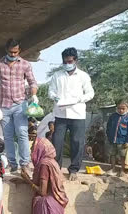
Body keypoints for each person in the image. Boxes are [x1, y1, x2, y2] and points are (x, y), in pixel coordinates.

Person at [0, 38, 38, 173]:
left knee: (22, 133)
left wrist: (34, 94)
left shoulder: (25, 64)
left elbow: (32, 82)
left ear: (19, 51)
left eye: (16, 52)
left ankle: (25, 163)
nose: (13, 54)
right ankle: (12, 163)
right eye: (11, 52)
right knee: (8, 136)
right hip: (3, 105)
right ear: (6, 50)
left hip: (20, 104)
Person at [48, 47, 94, 181]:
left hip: (77, 114)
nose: (67, 64)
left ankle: (74, 169)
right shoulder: (57, 75)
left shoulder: (83, 76)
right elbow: (51, 91)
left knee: (77, 142)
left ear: (75, 60)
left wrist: (80, 99)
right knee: (57, 142)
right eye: (65, 62)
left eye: (69, 61)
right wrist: (55, 97)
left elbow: (90, 93)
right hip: (61, 114)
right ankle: (56, 168)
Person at [20, 138, 69, 214]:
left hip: (47, 206)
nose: (31, 148)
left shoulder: (44, 165)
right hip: (56, 204)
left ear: (40, 149)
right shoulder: (52, 162)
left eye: (33, 146)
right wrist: (24, 180)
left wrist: (28, 181)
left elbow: (42, 192)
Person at [106, 98, 128, 176]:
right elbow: (108, 127)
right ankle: (112, 168)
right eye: (119, 108)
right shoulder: (113, 116)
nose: (121, 110)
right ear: (116, 108)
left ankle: (122, 170)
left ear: (127, 109)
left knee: (122, 156)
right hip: (112, 141)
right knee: (112, 154)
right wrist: (109, 136)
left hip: (123, 142)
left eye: (123, 109)